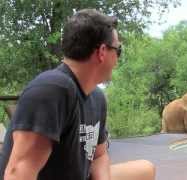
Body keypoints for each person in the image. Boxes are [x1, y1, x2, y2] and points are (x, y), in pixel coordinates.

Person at [0, 9, 155, 180]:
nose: (117, 60)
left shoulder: (96, 97)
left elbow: (99, 156)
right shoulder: (51, 90)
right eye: (118, 50)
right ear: (102, 52)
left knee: (145, 169)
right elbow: (17, 173)